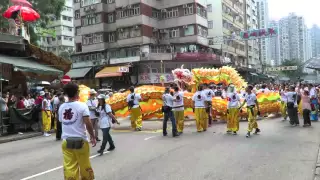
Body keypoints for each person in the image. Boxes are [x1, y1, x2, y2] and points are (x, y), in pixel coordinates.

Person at [58, 83, 96, 180]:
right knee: (84, 166)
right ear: (77, 93)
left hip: (66, 141)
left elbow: (61, 121)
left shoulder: (61, 107)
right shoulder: (82, 106)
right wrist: (93, 136)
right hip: (81, 141)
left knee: (69, 167)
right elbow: (88, 123)